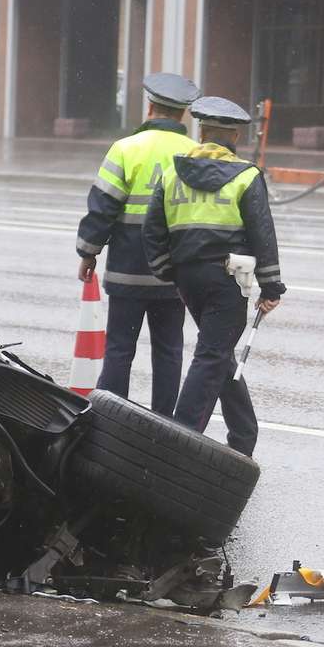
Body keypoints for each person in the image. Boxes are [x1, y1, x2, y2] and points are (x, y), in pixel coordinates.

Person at [143, 96, 285, 457]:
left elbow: (153, 228)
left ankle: (243, 436)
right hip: (227, 280)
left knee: (219, 353)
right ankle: (179, 444)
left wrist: (166, 270)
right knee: (211, 356)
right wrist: (271, 286)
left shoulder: (172, 172)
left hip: (188, 279)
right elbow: (262, 234)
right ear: (233, 136)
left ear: (202, 133)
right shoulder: (247, 176)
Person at [75, 73, 199, 417]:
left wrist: (88, 252)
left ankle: (111, 420)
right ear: (183, 114)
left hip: (128, 271)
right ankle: (165, 424)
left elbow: (102, 207)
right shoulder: (194, 154)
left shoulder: (126, 149)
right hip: (175, 276)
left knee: (119, 350)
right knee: (169, 350)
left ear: (150, 107)